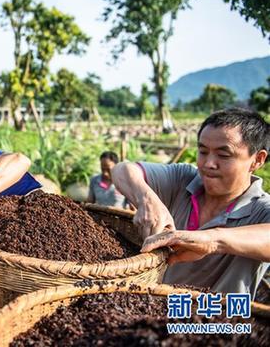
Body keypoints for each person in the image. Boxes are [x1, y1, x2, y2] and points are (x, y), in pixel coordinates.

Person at [112, 108, 270, 295]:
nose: (208, 163)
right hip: (149, 308)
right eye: (203, 151)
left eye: (224, 155)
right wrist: (147, 198)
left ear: (257, 160)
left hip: (215, 320)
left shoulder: (261, 209)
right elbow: (122, 170)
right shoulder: (183, 178)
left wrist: (211, 240)